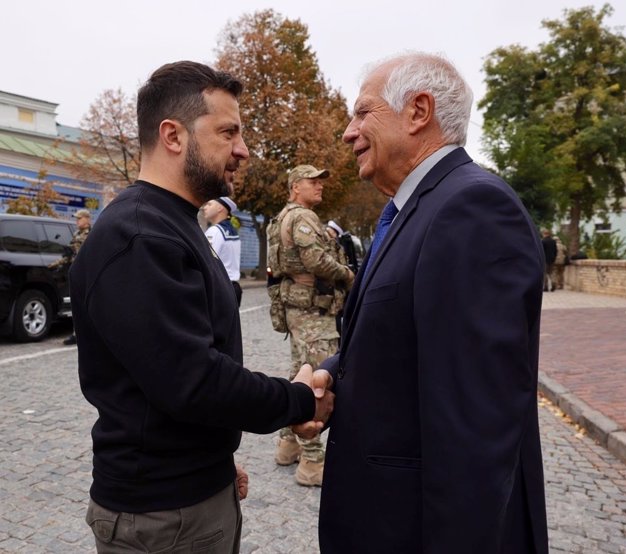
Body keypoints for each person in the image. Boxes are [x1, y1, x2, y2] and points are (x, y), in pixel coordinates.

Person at [70, 61, 332, 553]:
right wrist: (298, 401)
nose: (243, 149)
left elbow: (173, 374)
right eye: (228, 132)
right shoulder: (139, 235)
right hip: (161, 517)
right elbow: (191, 380)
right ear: (173, 135)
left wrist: (213, 461)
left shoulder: (174, 222)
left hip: (187, 498)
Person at [309, 53, 549, 553]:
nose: (348, 133)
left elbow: (476, 429)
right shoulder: (413, 209)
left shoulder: (472, 209)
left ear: (418, 111)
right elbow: (402, 334)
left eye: (362, 113)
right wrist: (335, 373)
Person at [269, 165, 354, 487]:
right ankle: (312, 462)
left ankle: (287, 445)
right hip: (312, 311)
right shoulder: (302, 217)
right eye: (312, 182)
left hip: (298, 308)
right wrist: (349, 275)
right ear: (295, 187)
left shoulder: (281, 217)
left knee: (299, 372)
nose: (319, 186)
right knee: (319, 382)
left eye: (321, 181)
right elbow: (316, 261)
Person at [49, 208, 92, 345]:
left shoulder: (93, 234)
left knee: (90, 305)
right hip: (76, 273)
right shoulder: (76, 234)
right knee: (77, 305)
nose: (77, 221)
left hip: (89, 274)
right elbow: (69, 256)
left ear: (87, 219)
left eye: (79, 218)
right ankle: (77, 334)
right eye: (77, 218)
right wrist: (54, 264)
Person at [203, 196, 242, 305]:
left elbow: (206, 262)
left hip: (219, 289)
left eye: (209, 204)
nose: (205, 207)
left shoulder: (214, 231)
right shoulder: (233, 231)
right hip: (233, 287)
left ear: (220, 208)